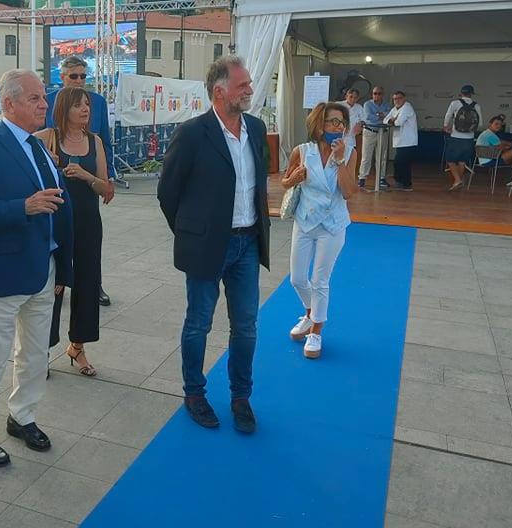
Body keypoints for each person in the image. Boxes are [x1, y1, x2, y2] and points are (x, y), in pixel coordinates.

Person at [0, 69, 74, 466]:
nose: (44, 104)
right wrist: (23, 207)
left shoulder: (39, 147)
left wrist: (63, 265)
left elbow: (59, 205)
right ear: (8, 103)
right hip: (2, 273)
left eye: (43, 97)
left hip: (43, 268)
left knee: (36, 354)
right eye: (34, 98)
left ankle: (22, 415)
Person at [157, 55, 271, 434]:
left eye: (248, 83)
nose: (250, 90)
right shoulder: (192, 133)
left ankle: (241, 397)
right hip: (208, 247)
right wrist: (191, 234)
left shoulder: (256, 129)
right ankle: (194, 393)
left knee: (246, 326)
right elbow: (168, 192)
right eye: (243, 85)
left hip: (247, 243)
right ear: (219, 92)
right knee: (199, 324)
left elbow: (259, 184)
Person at [34, 86, 110, 378]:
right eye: (78, 105)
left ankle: (77, 347)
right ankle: (41, 349)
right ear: (63, 109)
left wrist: (86, 176)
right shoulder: (45, 138)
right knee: (54, 285)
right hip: (56, 222)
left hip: (89, 223)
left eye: (87, 104)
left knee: (87, 283)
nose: (85, 109)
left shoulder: (95, 141)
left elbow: (107, 189)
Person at [282, 102, 357, 359]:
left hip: (333, 225)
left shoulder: (349, 152)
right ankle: (310, 312)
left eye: (341, 123)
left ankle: (316, 331)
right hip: (305, 221)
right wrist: (294, 179)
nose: (338, 127)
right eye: (333, 121)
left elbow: (348, 192)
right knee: (297, 278)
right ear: (318, 125)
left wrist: (340, 160)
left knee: (320, 281)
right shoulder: (302, 151)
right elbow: (285, 181)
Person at [46, 55, 115, 306]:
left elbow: (104, 140)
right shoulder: (49, 101)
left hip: (88, 184)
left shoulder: (97, 102)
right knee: (58, 243)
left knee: (89, 243)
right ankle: (58, 282)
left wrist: (109, 176)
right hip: (59, 187)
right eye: (74, 76)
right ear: (62, 77)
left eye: (83, 76)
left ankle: (93, 285)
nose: (79, 80)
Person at [443, 84, 483, 191]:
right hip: (469, 138)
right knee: (462, 161)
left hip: (456, 137)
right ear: (472, 94)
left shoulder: (455, 103)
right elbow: (480, 124)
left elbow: (448, 115)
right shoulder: (476, 106)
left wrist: (446, 126)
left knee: (450, 160)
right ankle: (458, 182)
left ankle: (457, 180)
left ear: (461, 93)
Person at [358, 86, 390, 190]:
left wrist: (381, 116)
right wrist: (381, 116)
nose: (376, 95)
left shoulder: (387, 105)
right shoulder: (367, 104)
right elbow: (368, 117)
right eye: (374, 93)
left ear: (382, 95)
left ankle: (381, 178)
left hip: (383, 132)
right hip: (370, 131)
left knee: (382, 157)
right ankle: (362, 178)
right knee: (366, 156)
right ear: (372, 94)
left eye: (379, 93)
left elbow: (389, 116)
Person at [385, 91, 419, 191]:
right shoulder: (395, 109)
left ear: (404, 98)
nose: (397, 100)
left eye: (399, 98)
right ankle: (400, 182)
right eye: (395, 99)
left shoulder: (407, 107)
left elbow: (398, 122)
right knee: (400, 163)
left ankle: (406, 184)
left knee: (402, 163)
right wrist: (391, 120)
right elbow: (385, 120)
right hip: (400, 141)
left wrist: (392, 120)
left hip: (408, 141)